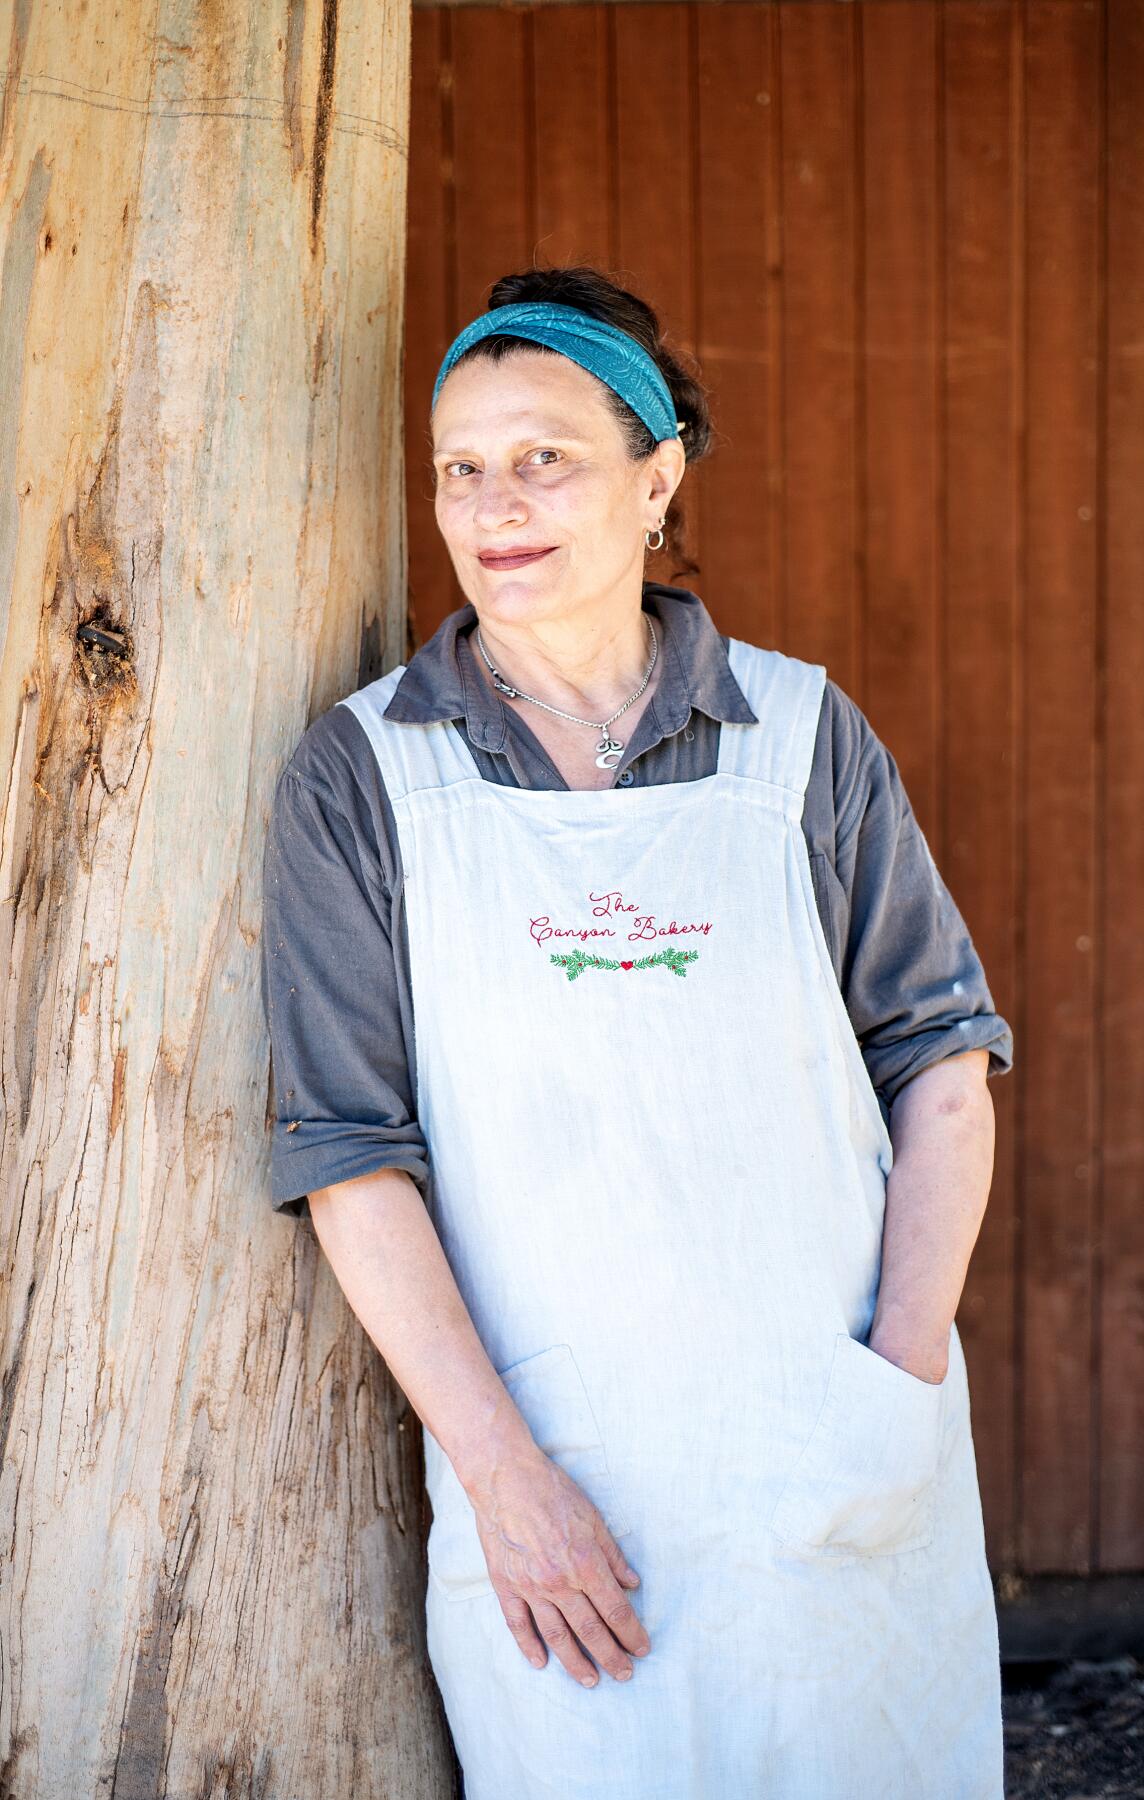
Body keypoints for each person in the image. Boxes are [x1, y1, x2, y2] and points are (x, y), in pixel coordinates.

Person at [261, 265, 1014, 1798]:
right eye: (461, 468)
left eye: (546, 457)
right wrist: (503, 1479)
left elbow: (941, 1060)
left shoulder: (800, 737)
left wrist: (898, 1378)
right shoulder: (362, 775)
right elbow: (348, 1156)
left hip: (836, 1446)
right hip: (558, 1483)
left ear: (656, 477)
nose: (496, 505)